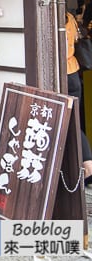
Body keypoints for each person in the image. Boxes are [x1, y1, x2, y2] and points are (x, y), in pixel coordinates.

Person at [65, 12, 92, 182]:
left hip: (63, 75)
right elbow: (76, 39)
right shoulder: (69, 17)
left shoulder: (52, 16)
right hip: (74, 74)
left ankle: (88, 166)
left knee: (70, 122)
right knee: (73, 121)